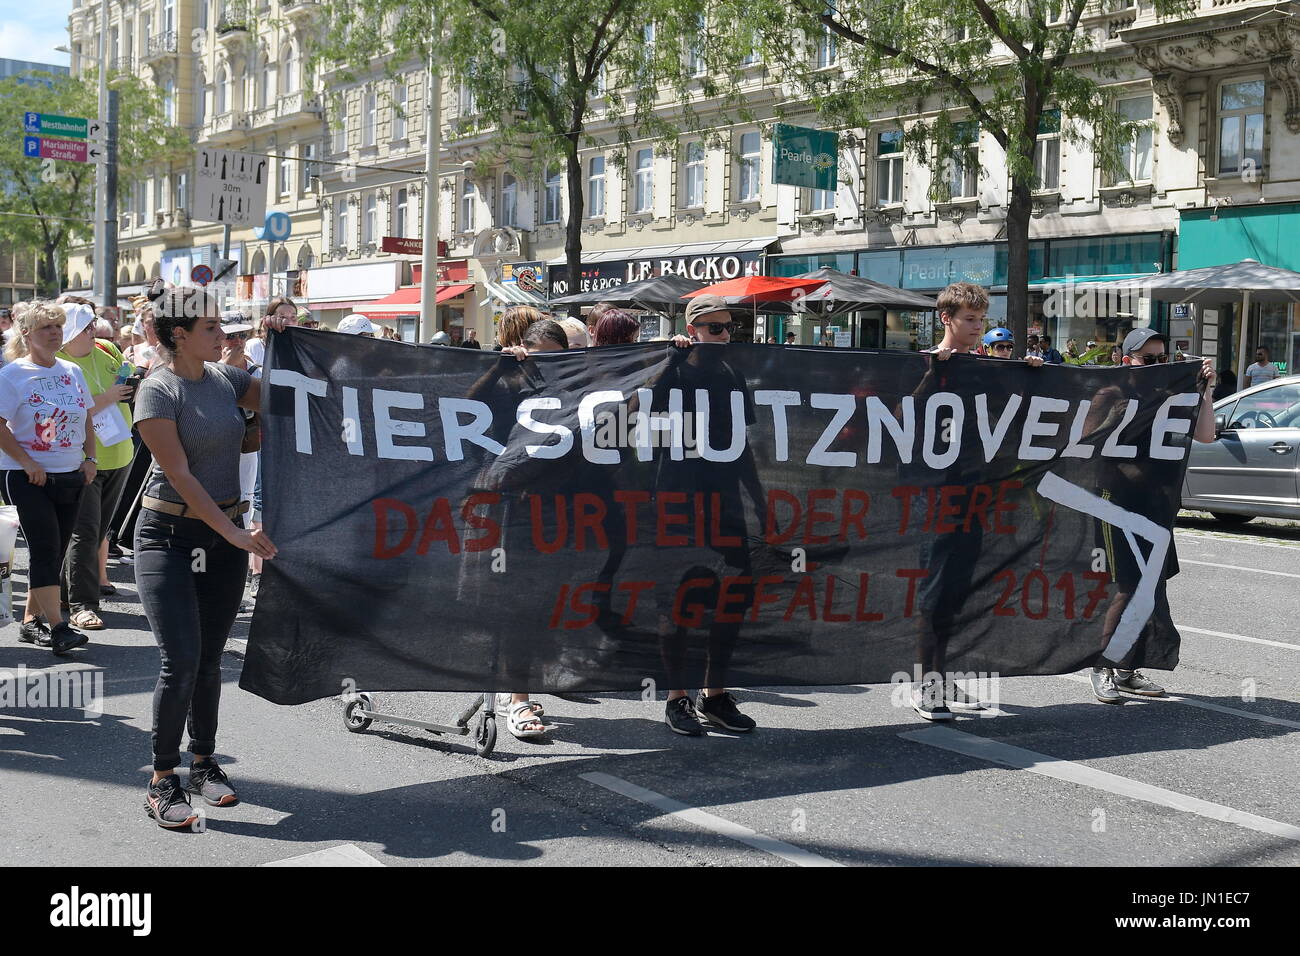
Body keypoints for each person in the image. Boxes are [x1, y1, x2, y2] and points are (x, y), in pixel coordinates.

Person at [134, 287, 282, 829]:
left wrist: (286, 346)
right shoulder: (157, 391)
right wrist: (236, 534)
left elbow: (289, 396)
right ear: (179, 334)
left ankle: (203, 763)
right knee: (181, 661)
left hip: (224, 534)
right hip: (168, 535)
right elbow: (179, 475)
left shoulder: (226, 380)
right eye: (213, 329)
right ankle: (161, 779)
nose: (225, 337)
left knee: (211, 660)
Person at [908, 284, 1043, 720]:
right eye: (970, 320)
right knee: (935, 589)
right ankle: (924, 684)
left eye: (982, 320)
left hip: (977, 492)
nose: (978, 328)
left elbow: (1013, 408)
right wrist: (934, 374)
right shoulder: (927, 361)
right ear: (947, 319)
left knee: (961, 590)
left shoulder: (985, 366)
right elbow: (898, 418)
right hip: (937, 493)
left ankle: (944, 677)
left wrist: (1033, 372)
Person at [1088, 328, 1217, 704]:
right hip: (1115, 502)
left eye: (1164, 359)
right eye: (1149, 359)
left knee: (1152, 588)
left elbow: (1206, 435)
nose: (1158, 366)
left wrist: (1204, 392)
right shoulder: (1111, 394)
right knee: (1128, 587)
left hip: (1154, 505)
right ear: (1127, 359)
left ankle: (1127, 669)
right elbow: (1084, 442)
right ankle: (1102, 665)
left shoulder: (1170, 396)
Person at [654, 293, 761, 736]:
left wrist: (759, 500)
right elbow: (640, 412)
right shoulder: (671, 368)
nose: (724, 335)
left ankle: (715, 695)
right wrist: (668, 359)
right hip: (678, 498)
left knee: (731, 599)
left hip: (726, 500)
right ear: (693, 328)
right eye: (714, 328)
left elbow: (743, 447)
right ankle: (676, 698)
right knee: (681, 599)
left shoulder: (732, 373)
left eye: (728, 328)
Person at [0, 301, 95, 655]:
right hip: (25, 476)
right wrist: (27, 462)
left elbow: (85, 416)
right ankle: (59, 627)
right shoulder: (13, 375)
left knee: (54, 552)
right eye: (46, 328)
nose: (55, 333)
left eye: (57, 326)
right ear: (26, 334)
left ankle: (30, 623)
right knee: (44, 548)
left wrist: (90, 457)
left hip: (69, 473)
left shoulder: (71, 371)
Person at [56, 303, 138, 631]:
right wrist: (106, 397)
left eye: (94, 327)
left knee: (98, 532)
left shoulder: (106, 350)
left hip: (120, 454)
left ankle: (65, 592)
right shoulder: (58, 364)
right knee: (85, 533)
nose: (94, 332)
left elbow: (126, 377)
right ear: (68, 334)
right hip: (81, 460)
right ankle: (83, 605)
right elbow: (65, 414)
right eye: (87, 328)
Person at [246, 296, 297, 366]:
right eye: (282, 317)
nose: (289, 322)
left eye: (293, 317)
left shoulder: (299, 347)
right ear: (269, 318)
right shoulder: (255, 346)